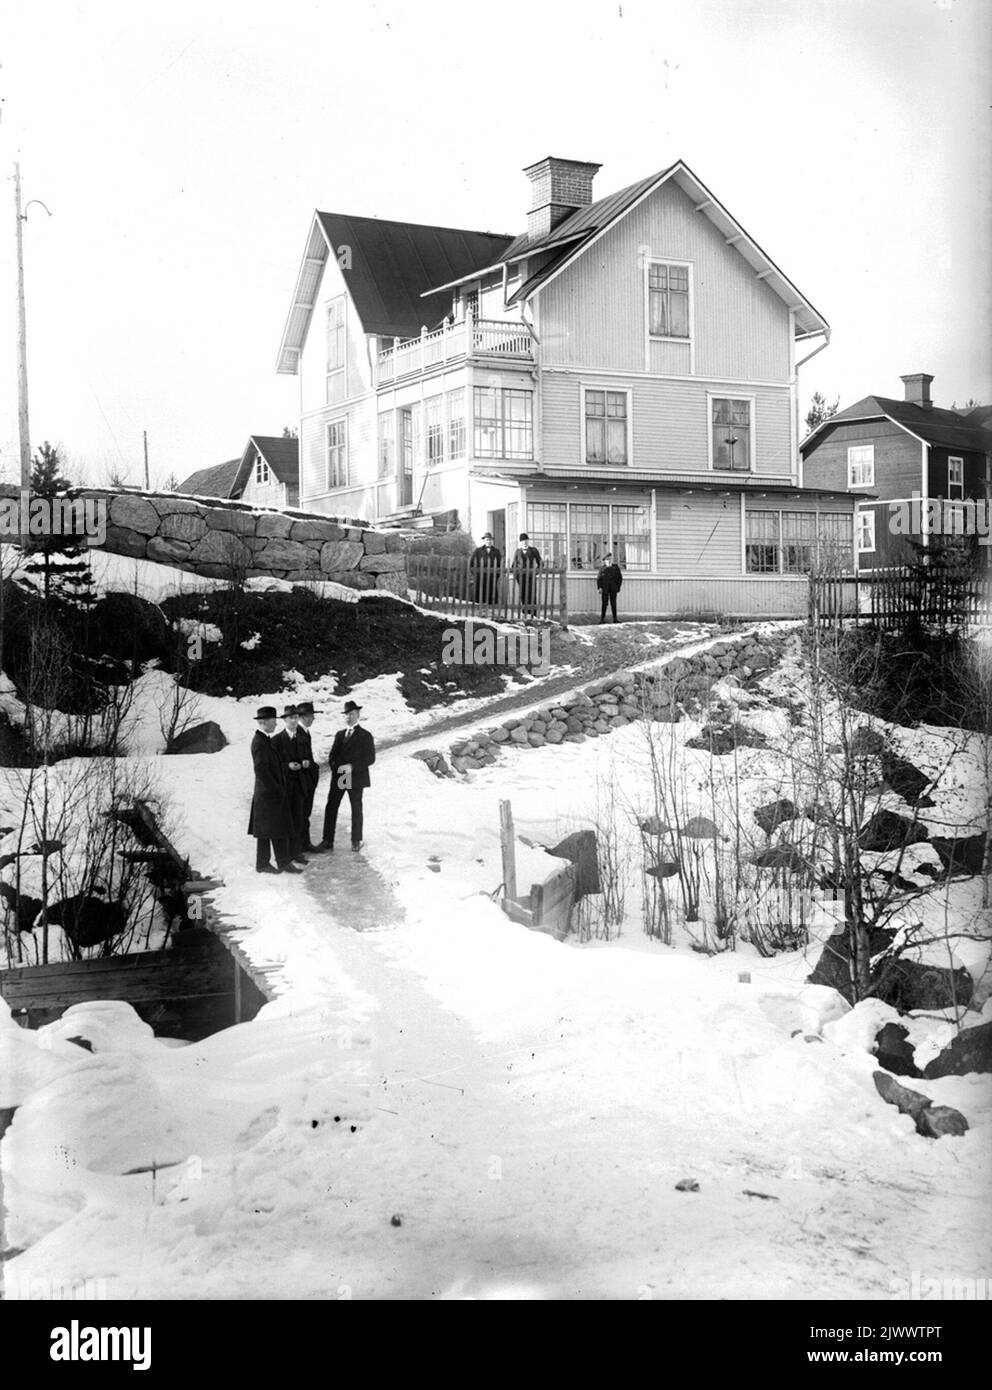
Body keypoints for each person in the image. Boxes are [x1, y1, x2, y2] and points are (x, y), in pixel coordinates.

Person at [248, 707, 301, 875]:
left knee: (273, 828)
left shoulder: (264, 740)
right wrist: (276, 789)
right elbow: (261, 770)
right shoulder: (259, 742)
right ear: (263, 722)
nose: (276, 723)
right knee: (269, 830)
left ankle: (277, 862)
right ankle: (266, 864)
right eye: (273, 720)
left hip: (268, 794)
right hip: (268, 795)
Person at [317, 700, 376, 852]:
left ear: (358, 715)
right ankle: (327, 840)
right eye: (347, 714)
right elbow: (332, 755)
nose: (349, 717)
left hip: (355, 777)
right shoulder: (340, 735)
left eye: (352, 714)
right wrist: (335, 767)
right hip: (340, 776)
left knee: (356, 808)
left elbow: (370, 758)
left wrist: (353, 767)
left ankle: (356, 840)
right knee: (331, 806)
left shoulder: (365, 735)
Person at [273, 705, 311, 862]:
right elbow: (273, 764)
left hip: (299, 784)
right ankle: (285, 854)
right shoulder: (276, 740)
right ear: (284, 720)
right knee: (285, 820)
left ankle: (296, 852)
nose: (294, 721)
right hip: (284, 786)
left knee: (297, 819)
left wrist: (306, 762)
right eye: (291, 718)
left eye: (296, 717)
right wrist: (287, 766)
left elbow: (307, 755)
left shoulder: (302, 738)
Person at [295, 700, 321, 851]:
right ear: (303, 717)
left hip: (307, 780)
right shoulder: (298, 733)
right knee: (302, 813)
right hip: (303, 781)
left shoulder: (304, 731)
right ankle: (301, 845)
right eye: (311, 716)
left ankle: (305, 844)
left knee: (305, 813)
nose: (313, 718)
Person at [511, 532, 542, 617]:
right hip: (521, 578)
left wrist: (535, 573)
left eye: (525, 540)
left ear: (528, 541)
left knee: (532, 595)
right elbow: (513, 566)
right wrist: (517, 576)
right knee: (523, 595)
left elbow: (541, 563)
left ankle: (534, 615)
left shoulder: (533, 550)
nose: (524, 542)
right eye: (522, 541)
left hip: (531, 577)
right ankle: (525, 615)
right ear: (520, 542)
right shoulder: (517, 552)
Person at [469, 532, 502, 608]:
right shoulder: (478, 551)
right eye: (487, 540)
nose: (489, 541)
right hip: (480, 578)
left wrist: (496, 576)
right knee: (480, 595)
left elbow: (500, 565)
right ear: (484, 540)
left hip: (492, 578)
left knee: (491, 595)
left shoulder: (496, 552)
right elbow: (471, 564)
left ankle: (491, 611)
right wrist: (476, 575)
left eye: (490, 540)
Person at [597, 552, 623, 624]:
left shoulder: (615, 567)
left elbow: (619, 578)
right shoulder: (602, 569)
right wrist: (599, 588)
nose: (608, 561)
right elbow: (599, 579)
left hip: (613, 588)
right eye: (607, 559)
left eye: (609, 559)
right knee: (604, 603)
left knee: (613, 603)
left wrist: (618, 587)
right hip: (605, 588)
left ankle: (615, 618)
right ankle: (602, 619)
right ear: (604, 561)